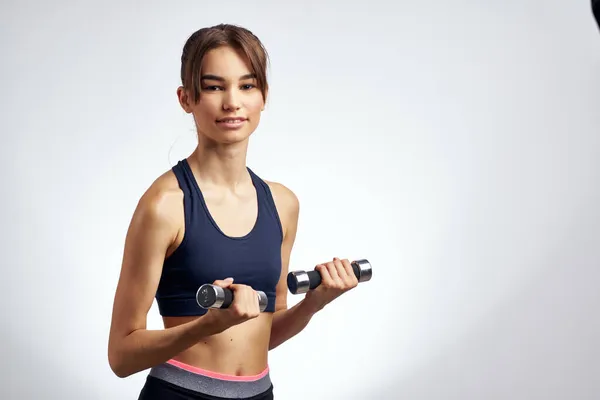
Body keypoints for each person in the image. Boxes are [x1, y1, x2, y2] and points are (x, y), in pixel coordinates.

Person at [107, 23, 359, 400]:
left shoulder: (282, 204)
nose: (232, 102)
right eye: (213, 87)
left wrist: (314, 303)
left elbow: (264, 332)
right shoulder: (165, 205)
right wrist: (203, 326)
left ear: (263, 96)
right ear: (186, 98)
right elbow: (121, 357)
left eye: (247, 85)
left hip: (259, 393)